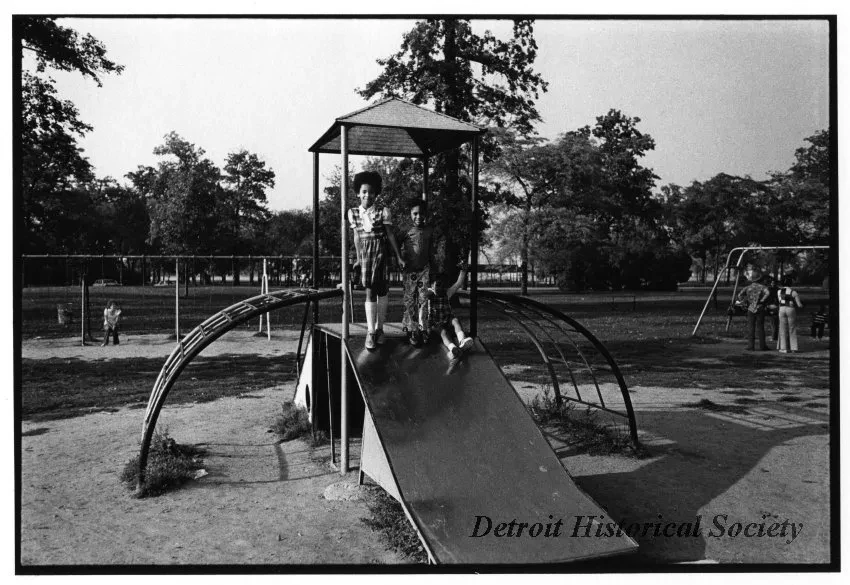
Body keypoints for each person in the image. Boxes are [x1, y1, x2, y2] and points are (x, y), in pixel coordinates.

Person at [347, 171, 405, 350]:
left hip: (381, 253)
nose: (367, 195)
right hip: (366, 255)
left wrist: (398, 256)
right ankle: (370, 332)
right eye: (364, 192)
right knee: (370, 292)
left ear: (376, 194)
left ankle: (380, 329)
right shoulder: (353, 213)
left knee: (383, 291)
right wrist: (358, 258)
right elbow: (357, 237)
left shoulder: (383, 211)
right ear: (358, 192)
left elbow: (390, 234)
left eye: (371, 192)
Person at [400, 198, 434, 347]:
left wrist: (433, 267)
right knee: (410, 301)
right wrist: (399, 259)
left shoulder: (429, 230)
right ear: (410, 214)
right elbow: (395, 245)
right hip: (409, 271)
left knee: (423, 300)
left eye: (421, 213)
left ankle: (423, 328)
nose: (418, 217)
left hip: (424, 270)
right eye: (415, 213)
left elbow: (431, 250)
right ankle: (412, 329)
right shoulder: (406, 231)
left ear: (425, 214)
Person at [423, 265, 474, 360]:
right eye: (437, 285)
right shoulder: (429, 295)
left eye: (442, 286)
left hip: (447, 319)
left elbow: (458, 283)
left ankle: (462, 341)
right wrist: (429, 290)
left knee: (455, 321)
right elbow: (421, 291)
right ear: (432, 286)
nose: (440, 288)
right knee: (443, 332)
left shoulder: (447, 293)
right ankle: (452, 348)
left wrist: (463, 271)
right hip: (436, 322)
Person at [736, 268, 770, 351]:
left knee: (751, 327)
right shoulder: (762, 287)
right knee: (760, 327)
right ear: (760, 279)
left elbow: (739, 295)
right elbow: (768, 293)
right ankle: (762, 346)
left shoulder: (748, 287)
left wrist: (744, 301)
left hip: (751, 308)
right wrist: (762, 300)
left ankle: (751, 346)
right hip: (760, 307)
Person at [777, 275, 803, 353]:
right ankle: (793, 348)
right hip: (790, 309)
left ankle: (783, 348)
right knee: (792, 328)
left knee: (782, 328)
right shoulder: (793, 292)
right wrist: (802, 305)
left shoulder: (779, 291)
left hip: (781, 309)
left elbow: (780, 301)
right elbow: (799, 305)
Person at [765, 277, 780, 346]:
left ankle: (774, 337)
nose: (772, 284)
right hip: (775, 306)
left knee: (773, 322)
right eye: (772, 282)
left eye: (773, 283)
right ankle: (775, 336)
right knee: (775, 322)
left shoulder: (769, 289)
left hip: (772, 306)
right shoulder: (778, 290)